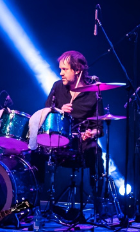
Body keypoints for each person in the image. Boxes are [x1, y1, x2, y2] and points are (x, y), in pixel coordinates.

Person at [39, 51, 103, 214]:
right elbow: (45, 114)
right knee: (35, 150)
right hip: (58, 140)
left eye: (65, 69)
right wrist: (59, 110)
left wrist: (91, 133)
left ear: (78, 70)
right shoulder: (57, 87)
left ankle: (98, 202)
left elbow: (99, 127)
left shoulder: (94, 92)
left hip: (81, 142)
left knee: (96, 152)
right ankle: (35, 202)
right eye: (60, 69)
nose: (61, 73)